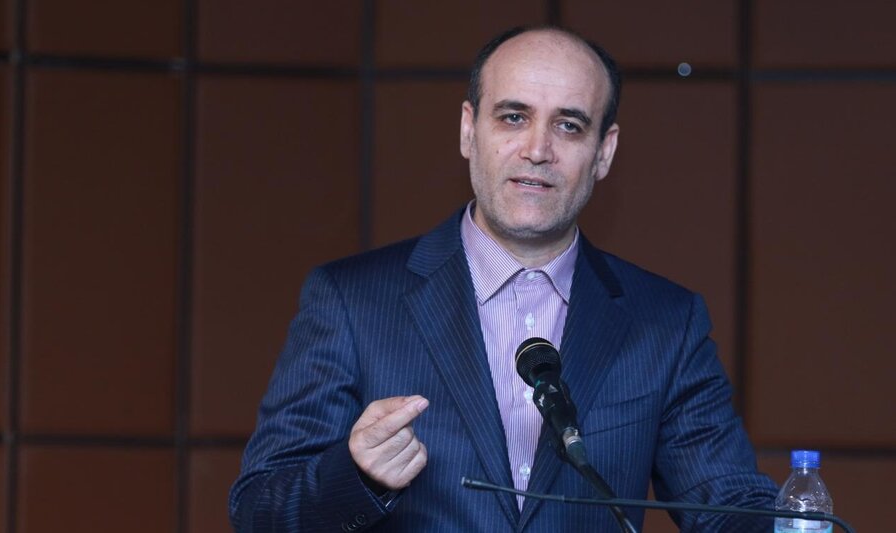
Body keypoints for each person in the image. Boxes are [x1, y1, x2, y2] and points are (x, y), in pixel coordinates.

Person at [229, 26, 778, 532]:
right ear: (469, 130)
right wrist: (357, 476)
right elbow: (259, 510)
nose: (537, 150)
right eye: (513, 117)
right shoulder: (351, 301)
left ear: (603, 152)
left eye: (569, 125)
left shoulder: (666, 322)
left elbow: (730, 508)